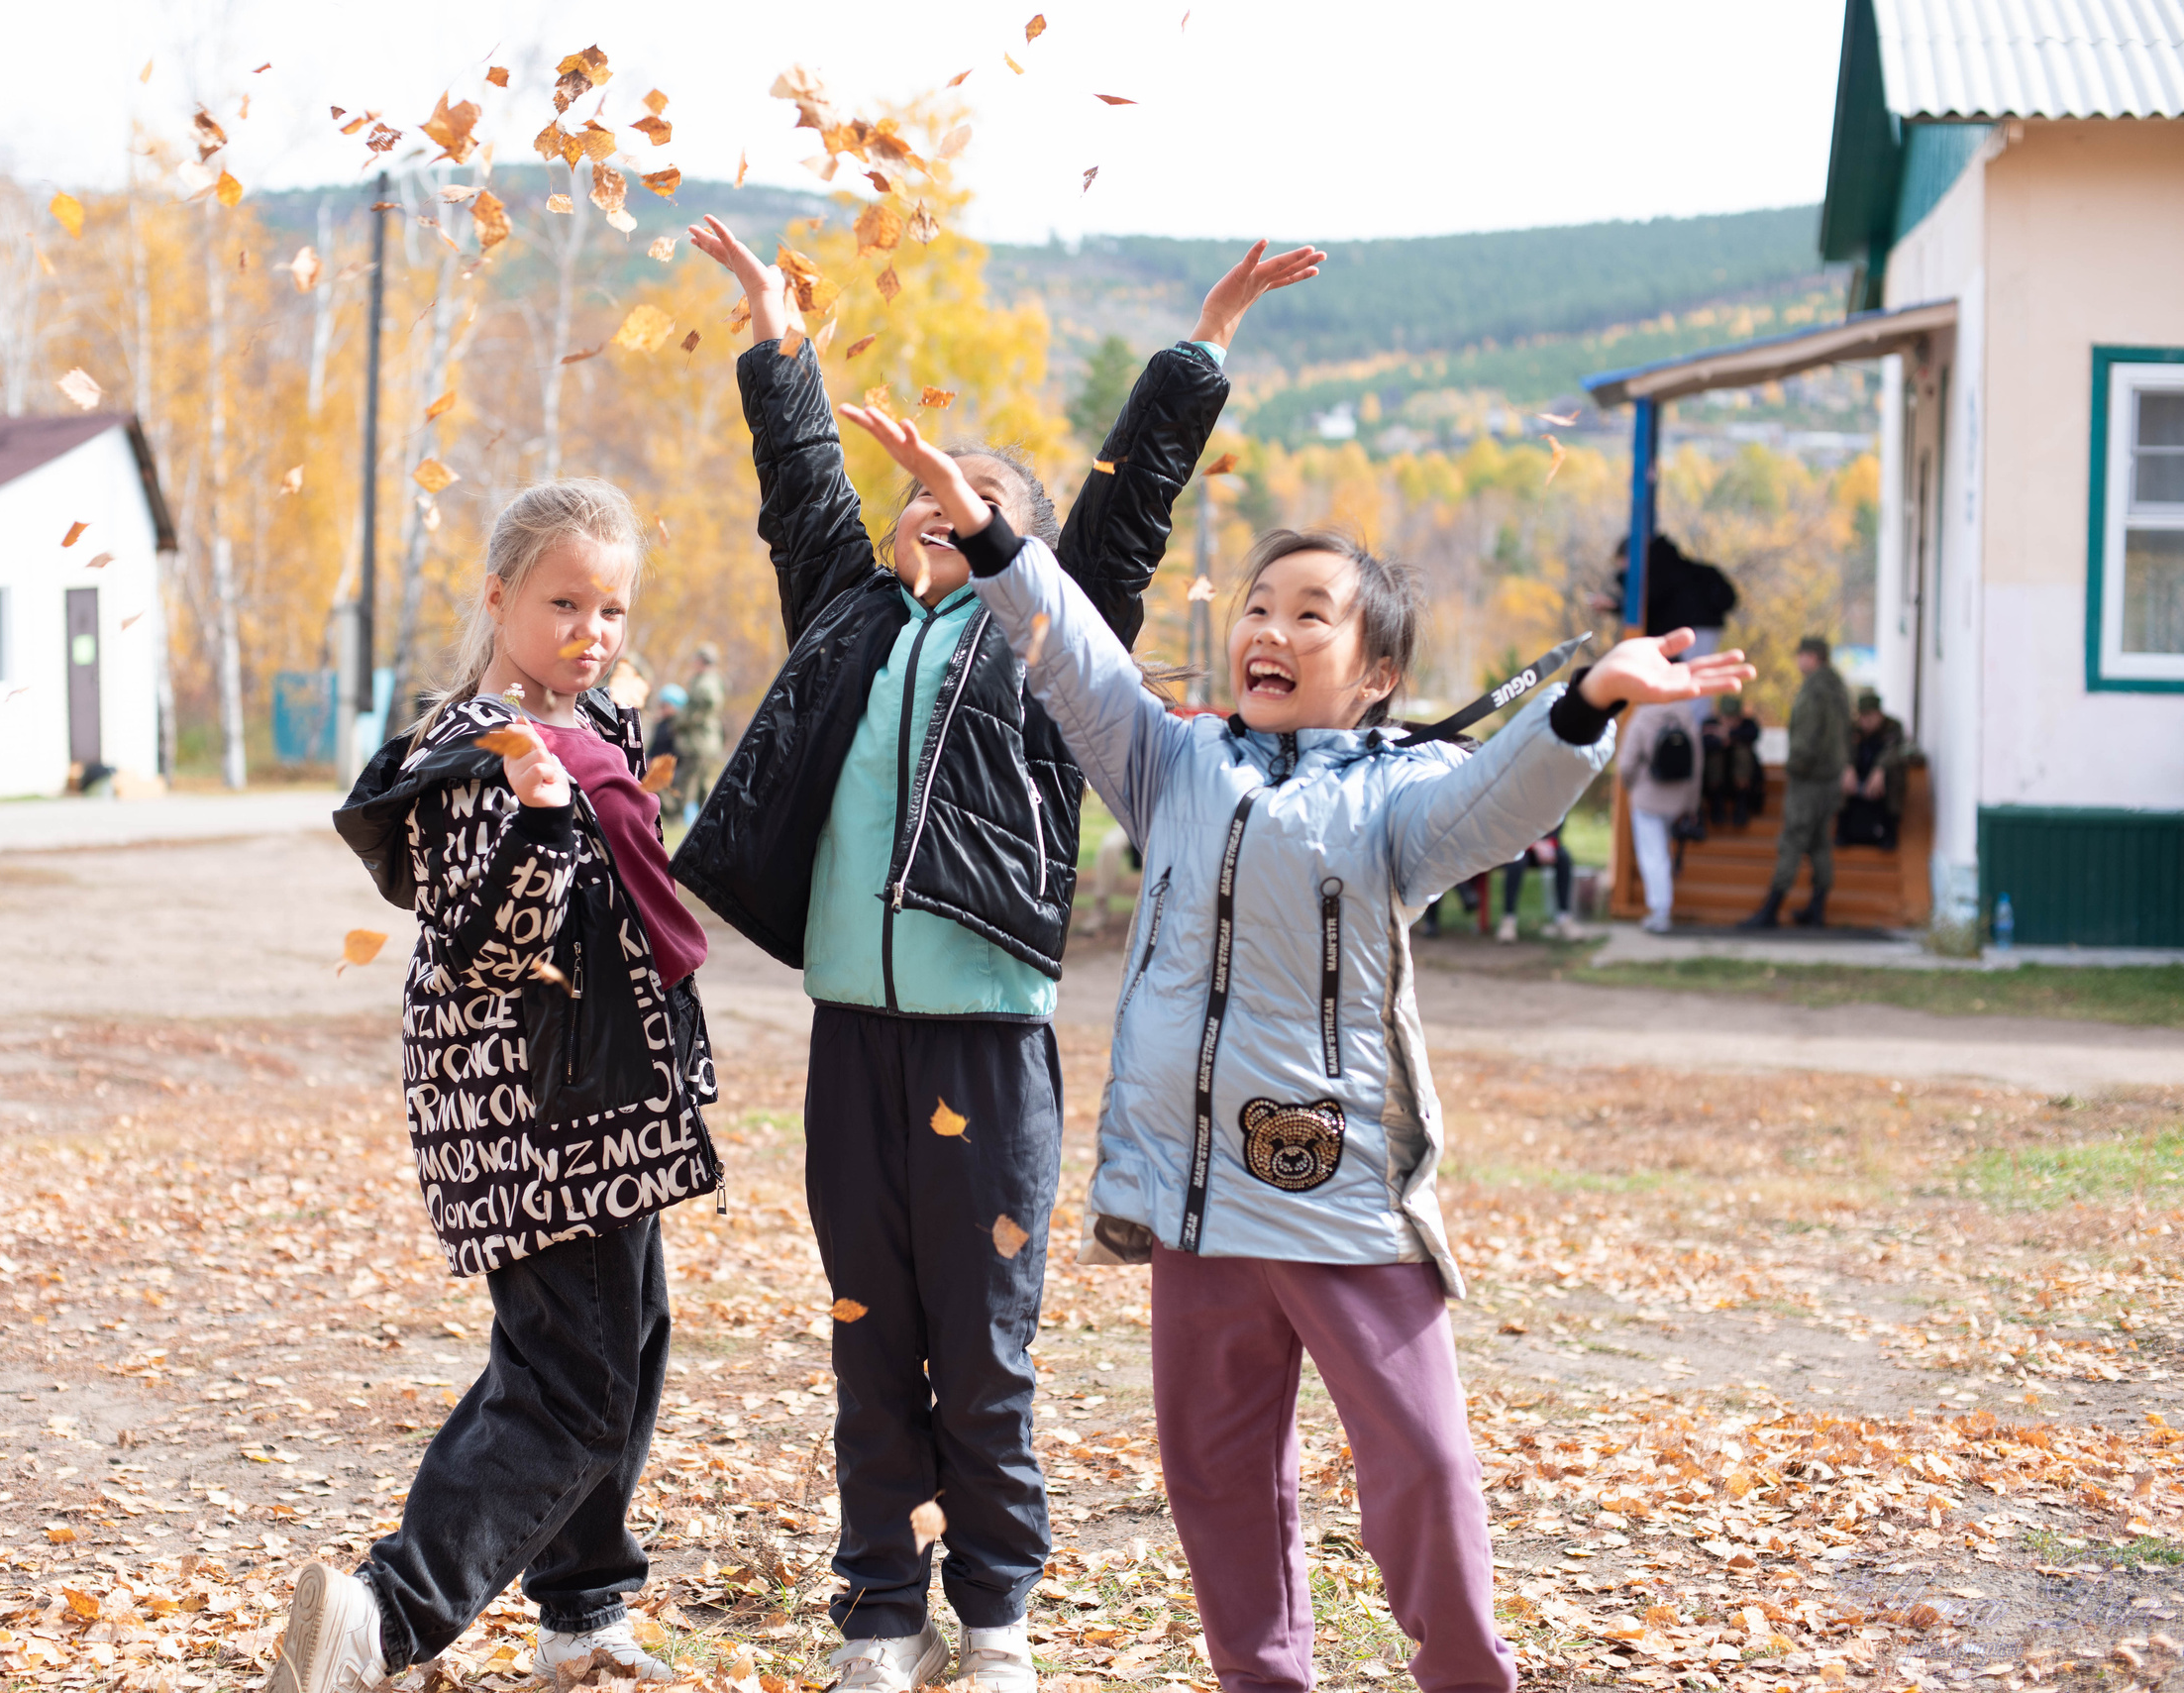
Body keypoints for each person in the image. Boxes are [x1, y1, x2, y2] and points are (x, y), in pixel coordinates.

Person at [837, 401, 1750, 1693]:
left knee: (1424, 1470)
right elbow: (1071, 654)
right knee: (1218, 1484)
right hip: (1195, 1200)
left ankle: (1466, 1675)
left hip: (1341, 1199)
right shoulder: (1167, 760)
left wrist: (1590, 699)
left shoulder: (1397, 796)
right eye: (1260, 605)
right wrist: (986, 531)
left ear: (1374, 671)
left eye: (1313, 612)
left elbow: (1501, 794)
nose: (1271, 627)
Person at [675, 214, 1322, 1693]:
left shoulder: (1048, 637)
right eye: (919, 490)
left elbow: (1131, 506)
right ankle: (878, 1616)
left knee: (983, 1339)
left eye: (968, 498)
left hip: (989, 1038)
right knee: (867, 1330)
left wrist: (1204, 336)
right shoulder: (849, 615)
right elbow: (798, 490)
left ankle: (999, 1616)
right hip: (856, 1042)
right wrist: (779, 334)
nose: (932, 503)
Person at [281, 479, 723, 1693]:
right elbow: (485, 940)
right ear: (498, 597)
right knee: (575, 1386)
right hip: (539, 1115)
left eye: (614, 607)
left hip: (603, 1103)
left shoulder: (590, 731)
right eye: (565, 600)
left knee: (615, 1348)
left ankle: (582, 1611)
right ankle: (382, 1615)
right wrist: (537, 817)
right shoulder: (485, 753)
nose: (594, 629)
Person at [1741, 635, 1850, 928]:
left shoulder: (1816, 690)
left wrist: (1796, 766)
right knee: (1819, 843)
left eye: (1802, 655)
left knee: (1792, 840)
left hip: (1810, 778)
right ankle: (1817, 908)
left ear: (1813, 656)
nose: (1799, 661)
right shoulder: (1837, 687)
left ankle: (1771, 909)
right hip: (1829, 777)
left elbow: (1808, 735)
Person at [1615, 696, 1704, 933]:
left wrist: (1632, 786)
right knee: (1663, 853)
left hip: (1647, 797)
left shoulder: (1643, 715)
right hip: (1678, 799)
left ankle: (1660, 911)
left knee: (1654, 856)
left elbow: (1626, 764)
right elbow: (1696, 765)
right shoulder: (1686, 716)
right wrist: (1691, 804)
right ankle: (1661, 909)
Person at [1597, 533, 1739, 656]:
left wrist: (1616, 605)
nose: (1623, 568)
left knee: (1689, 677)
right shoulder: (1672, 565)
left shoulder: (1659, 570)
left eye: (1623, 563)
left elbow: (1647, 604)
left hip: (1689, 631)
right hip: (1701, 629)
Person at [1836, 688, 1910, 849]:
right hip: (1857, 780)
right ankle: (1842, 830)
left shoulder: (1893, 727)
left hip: (1882, 784)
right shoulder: (1853, 729)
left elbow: (1895, 751)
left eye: (1870, 716)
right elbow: (1842, 750)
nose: (1865, 721)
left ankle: (1889, 832)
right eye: (1862, 716)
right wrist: (1847, 767)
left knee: (1894, 773)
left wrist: (1879, 769)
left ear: (1879, 714)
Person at [671, 644, 726, 825]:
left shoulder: (705, 683)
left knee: (688, 782)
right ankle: (709, 820)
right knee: (703, 783)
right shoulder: (714, 680)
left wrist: (681, 722)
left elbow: (705, 703)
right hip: (708, 740)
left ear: (701, 661)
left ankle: (680, 818)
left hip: (698, 741)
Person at [1498, 824, 1583, 942]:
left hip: (1548, 845)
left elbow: (1559, 820)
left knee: (1564, 857)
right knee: (1516, 862)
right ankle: (1508, 920)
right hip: (1519, 846)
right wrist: (1534, 845)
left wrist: (1549, 844)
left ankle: (1564, 917)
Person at [1702, 694, 1764, 829]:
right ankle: (1717, 807)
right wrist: (1720, 741)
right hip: (1715, 785)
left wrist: (1729, 734)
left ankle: (1741, 806)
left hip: (1742, 786)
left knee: (1742, 751)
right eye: (1727, 717)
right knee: (1715, 755)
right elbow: (1702, 744)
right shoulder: (1710, 724)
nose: (1730, 721)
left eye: (1733, 717)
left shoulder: (1747, 725)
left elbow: (1753, 734)